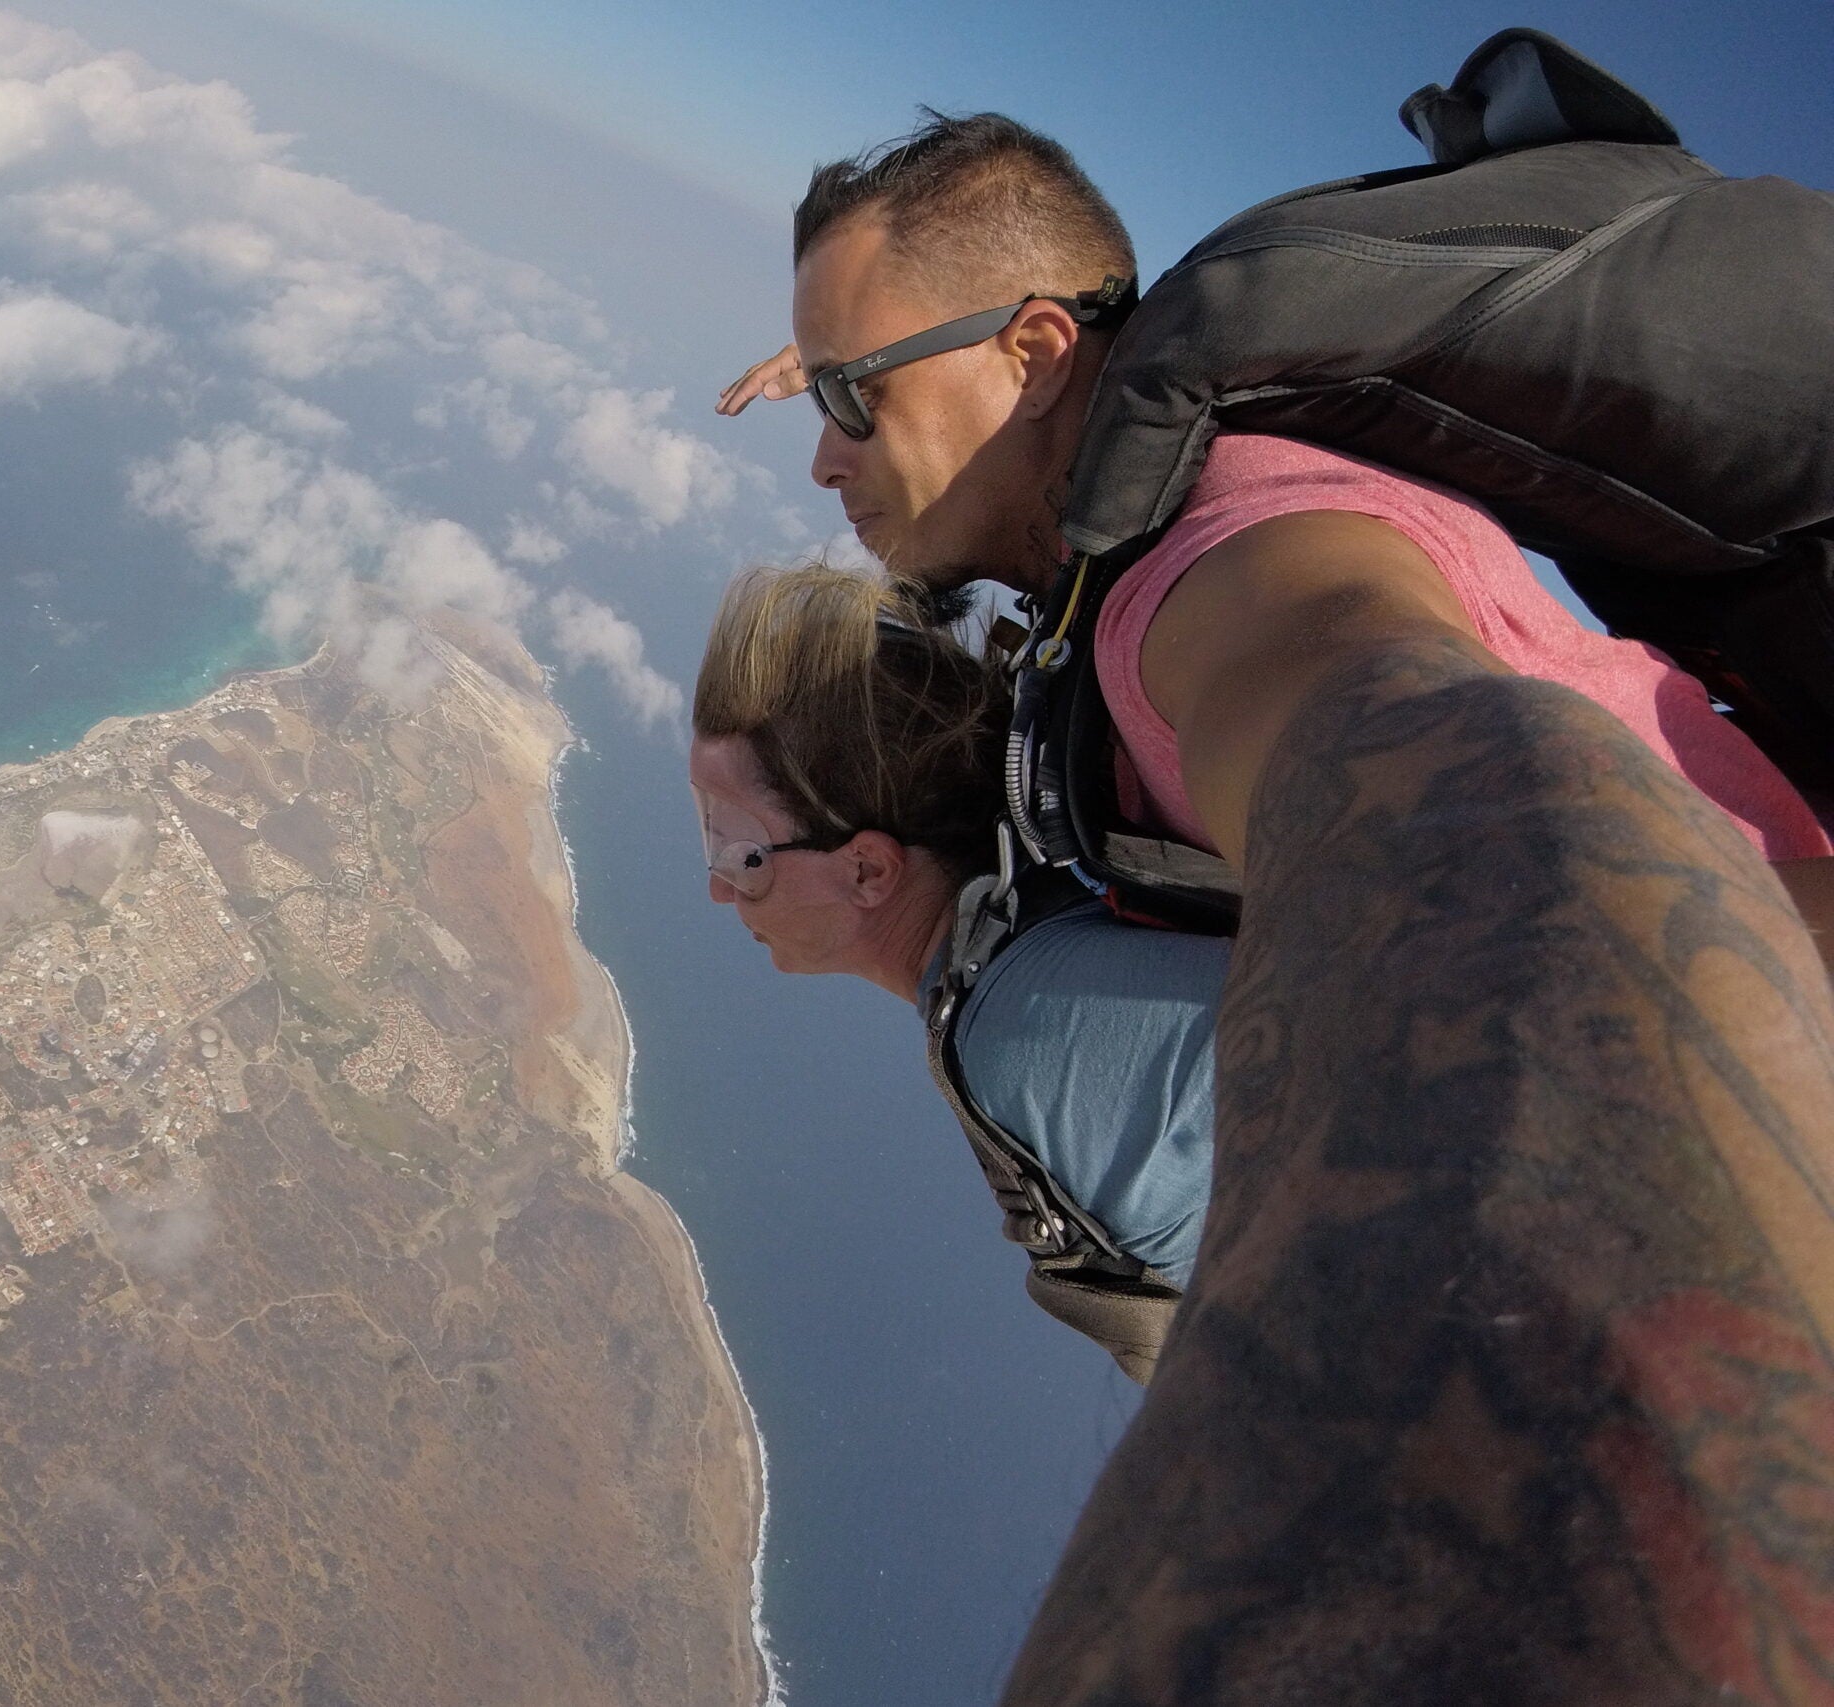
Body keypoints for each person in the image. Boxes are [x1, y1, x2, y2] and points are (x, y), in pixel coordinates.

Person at [716, 111, 1834, 1701]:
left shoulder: (1222, 573)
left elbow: (1470, 814)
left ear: (1037, 351)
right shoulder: (1158, 483)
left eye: (849, 401)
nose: (823, 452)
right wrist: (877, 372)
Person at [693, 561, 1219, 1377]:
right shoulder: (1024, 967)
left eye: (740, 852)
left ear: (869, 871)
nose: (719, 888)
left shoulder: (1030, 1039)